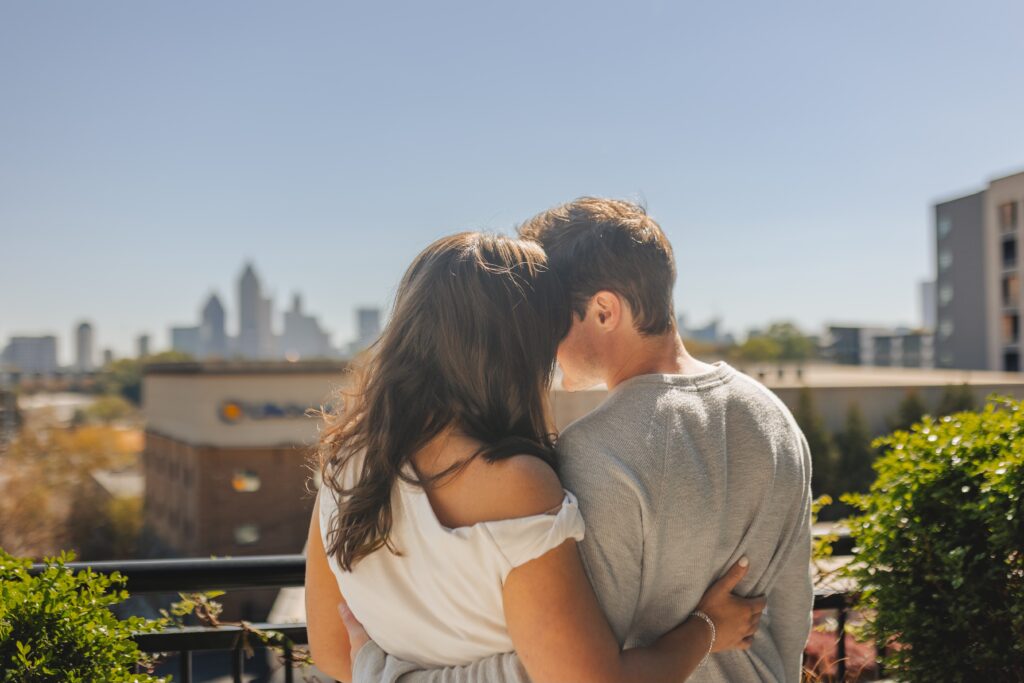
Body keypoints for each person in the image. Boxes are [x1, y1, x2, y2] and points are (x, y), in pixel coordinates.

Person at [341, 199, 815, 683]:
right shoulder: (775, 419)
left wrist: (376, 668)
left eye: (549, 318)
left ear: (604, 311)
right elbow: (794, 608)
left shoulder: (595, 452)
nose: (540, 343)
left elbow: (565, 671)